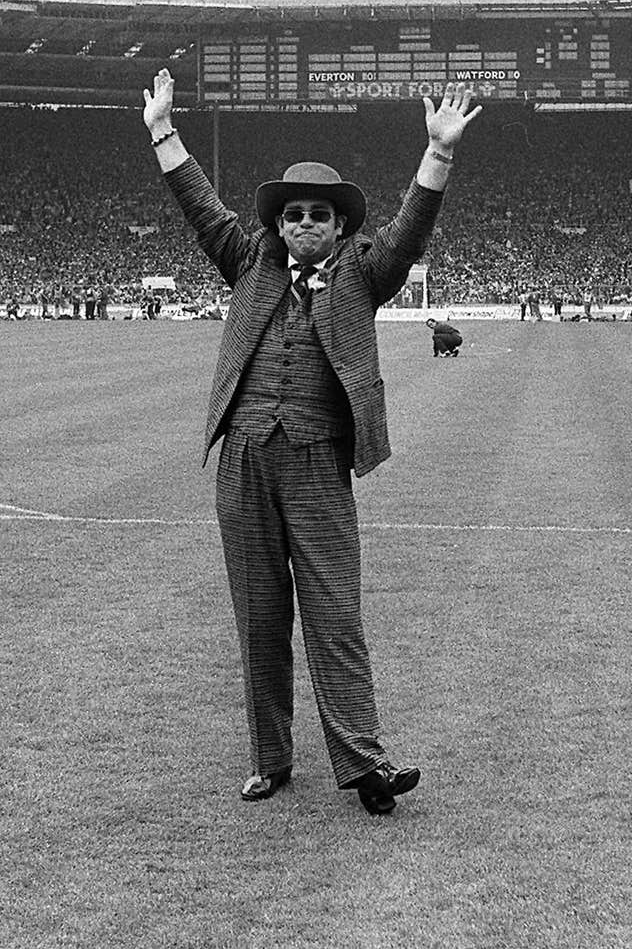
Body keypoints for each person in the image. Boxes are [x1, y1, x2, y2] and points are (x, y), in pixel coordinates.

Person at [143, 68, 481, 815]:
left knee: (336, 613)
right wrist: (164, 131)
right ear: (278, 224)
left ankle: (365, 763)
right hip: (244, 458)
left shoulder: (366, 271)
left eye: (317, 215)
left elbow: (411, 230)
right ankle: (271, 759)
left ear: (339, 226)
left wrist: (439, 155)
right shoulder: (249, 258)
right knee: (260, 616)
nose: (302, 224)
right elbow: (201, 206)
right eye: (292, 213)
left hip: (319, 461)